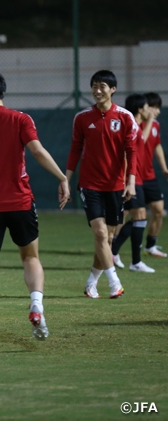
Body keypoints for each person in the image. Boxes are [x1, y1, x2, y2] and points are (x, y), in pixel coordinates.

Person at [0, 70, 70, 353]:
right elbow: (38, 151)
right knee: (30, 257)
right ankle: (36, 305)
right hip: (20, 202)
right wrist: (62, 178)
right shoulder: (21, 119)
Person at [66, 70, 137, 300]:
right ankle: (115, 283)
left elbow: (131, 151)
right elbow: (75, 149)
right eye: (94, 86)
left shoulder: (125, 117)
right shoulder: (82, 117)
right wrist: (66, 180)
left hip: (116, 185)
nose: (97, 90)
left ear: (112, 89)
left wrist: (131, 181)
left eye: (102, 86)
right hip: (90, 184)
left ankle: (90, 283)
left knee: (107, 239)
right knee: (99, 233)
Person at [110, 94, 155, 273]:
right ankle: (133, 261)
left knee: (138, 218)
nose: (149, 110)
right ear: (139, 109)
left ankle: (114, 252)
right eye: (146, 107)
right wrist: (128, 180)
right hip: (131, 180)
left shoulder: (135, 126)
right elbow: (127, 154)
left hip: (137, 179)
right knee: (139, 217)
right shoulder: (132, 127)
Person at [141, 92, 168, 258]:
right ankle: (112, 247)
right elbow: (140, 141)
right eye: (154, 107)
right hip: (132, 177)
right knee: (126, 214)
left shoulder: (155, 126)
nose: (157, 111)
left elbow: (157, 146)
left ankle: (150, 246)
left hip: (149, 176)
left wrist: (164, 167)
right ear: (145, 108)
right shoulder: (134, 124)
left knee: (159, 210)